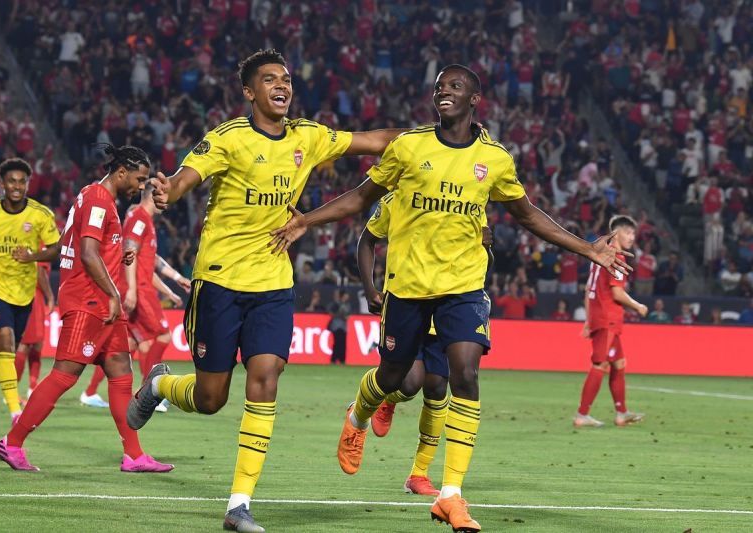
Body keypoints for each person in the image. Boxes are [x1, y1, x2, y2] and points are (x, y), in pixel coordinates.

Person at [269, 64, 629, 532]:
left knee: (464, 374)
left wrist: (586, 248)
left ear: (474, 98)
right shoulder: (410, 147)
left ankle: (452, 494)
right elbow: (360, 198)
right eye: (439, 87)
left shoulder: (494, 159)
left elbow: (527, 215)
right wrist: (306, 220)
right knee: (397, 376)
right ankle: (358, 413)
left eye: (454, 87)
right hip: (409, 288)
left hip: (463, 288)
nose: (444, 93)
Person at [126, 49, 403, 533]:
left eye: (287, 79)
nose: (282, 86)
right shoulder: (228, 138)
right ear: (249, 92)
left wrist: (434, 139)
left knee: (266, 378)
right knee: (211, 398)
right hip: (219, 280)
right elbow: (187, 177)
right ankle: (160, 384)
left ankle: (239, 504)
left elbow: (376, 139)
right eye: (269, 79)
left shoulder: (307, 136)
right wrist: (170, 189)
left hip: (273, 283)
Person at [0, 145, 172, 474]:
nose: (141, 185)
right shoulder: (99, 200)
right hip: (89, 301)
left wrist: (120, 259)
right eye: (139, 178)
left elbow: (69, 244)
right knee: (64, 375)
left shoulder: (92, 197)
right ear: (121, 172)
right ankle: (12, 442)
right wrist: (114, 293)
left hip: (101, 301)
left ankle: (133, 455)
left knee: (120, 372)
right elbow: (88, 254)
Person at [360, 192, 495, 496]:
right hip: (409, 301)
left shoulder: (469, 203)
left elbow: (485, 258)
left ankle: (419, 474)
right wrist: (371, 289)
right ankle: (386, 400)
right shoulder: (399, 199)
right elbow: (366, 240)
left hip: (449, 308)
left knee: (436, 388)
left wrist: (487, 245)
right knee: (408, 383)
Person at [0, 158, 61, 426]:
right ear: (2, 184)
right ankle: (16, 411)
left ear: (27, 184)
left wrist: (33, 256)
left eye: (22, 181)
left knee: (10, 349)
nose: (16, 186)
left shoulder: (40, 215)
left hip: (24, 291)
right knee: (6, 343)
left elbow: (56, 247)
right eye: (11, 181)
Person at [80, 183, 190, 409]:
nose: (166, 202)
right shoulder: (139, 219)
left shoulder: (140, 219)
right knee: (161, 337)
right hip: (138, 290)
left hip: (139, 286)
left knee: (129, 344)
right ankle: (147, 395)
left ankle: (90, 392)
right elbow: (130, 252)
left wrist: (173, 282)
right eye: (163, 197)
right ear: (153, 197)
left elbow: (150, 261)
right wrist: (130, 288)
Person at [575, 215, 648, 429]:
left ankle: (621, 413)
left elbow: (589, 289)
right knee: (600, 364)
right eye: (628, 232)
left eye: (634, 233)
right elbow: (617, 292)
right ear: (615, 234)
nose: (632, 237)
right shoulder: (617, 257)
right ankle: (582, 415)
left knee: (619, 364)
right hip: (608, 318)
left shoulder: (598, 255)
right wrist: (637, 306)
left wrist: (589, 320)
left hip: (601, 317)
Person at [15, 260, 55, 400]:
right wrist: (50, 296)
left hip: (25, 293)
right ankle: (13, 390)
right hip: (32, 296)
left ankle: (32, 387)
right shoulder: (41, 243)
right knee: (26, 344)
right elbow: (40, 272)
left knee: (36, 343)